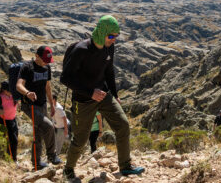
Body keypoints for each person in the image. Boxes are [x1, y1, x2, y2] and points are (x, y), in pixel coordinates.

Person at [60, 15, 145, 182]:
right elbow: (65, 79)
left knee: (123, 125)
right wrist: (90, 92)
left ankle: (125, 166)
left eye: (116, 37)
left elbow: (109, 71)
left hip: (104, 95)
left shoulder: (109, 48)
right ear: (101, 32)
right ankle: (68, 169)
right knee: (81, 139)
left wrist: (115, 94)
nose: (114, 40)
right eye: (111, 36)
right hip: (83, 100)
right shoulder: (81, 50)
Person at [17, 46, 62, 170]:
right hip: (30, 105)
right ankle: (52, 155)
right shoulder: (27, 67)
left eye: (48, 61)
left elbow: (48, 87)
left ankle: (36, 162)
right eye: (44, 60)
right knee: (48, 127)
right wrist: (27, 93)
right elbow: (18, 85)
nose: (46, 63)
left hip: (42, 105)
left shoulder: (47, 67)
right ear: (36, 56)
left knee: (39, 133)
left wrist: (52, 105)